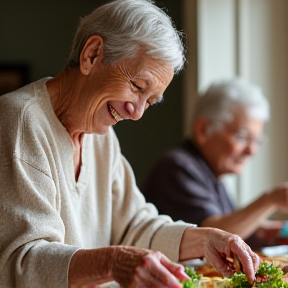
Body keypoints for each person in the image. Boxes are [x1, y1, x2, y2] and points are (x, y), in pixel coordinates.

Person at [0, 1, 260, 288]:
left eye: (149, 102)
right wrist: (113, 262)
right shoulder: (19, 121)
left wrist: (208, 239)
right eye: (137, 87)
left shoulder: (101, 137)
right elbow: (22, 262)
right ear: (92, 55)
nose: (136, 113)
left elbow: (135, 224)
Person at [141, 77, 288, 251]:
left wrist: (264, 232)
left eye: (256, 140)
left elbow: (233, 229)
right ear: (203, 129)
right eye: (242, 137)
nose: (252, 151)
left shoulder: (210, 173)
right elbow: (217, 237)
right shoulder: (178, 168)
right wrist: (270, 200)